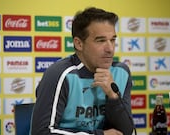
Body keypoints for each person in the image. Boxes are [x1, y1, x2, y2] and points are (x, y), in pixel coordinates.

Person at [31, 7, 134, 135]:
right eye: (101, 40)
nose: (110, 49)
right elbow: (41, 132)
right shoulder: (60, 74)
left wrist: (113, 97)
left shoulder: (121, 72)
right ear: (79, 44)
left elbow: (126, 132)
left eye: (112, 40)